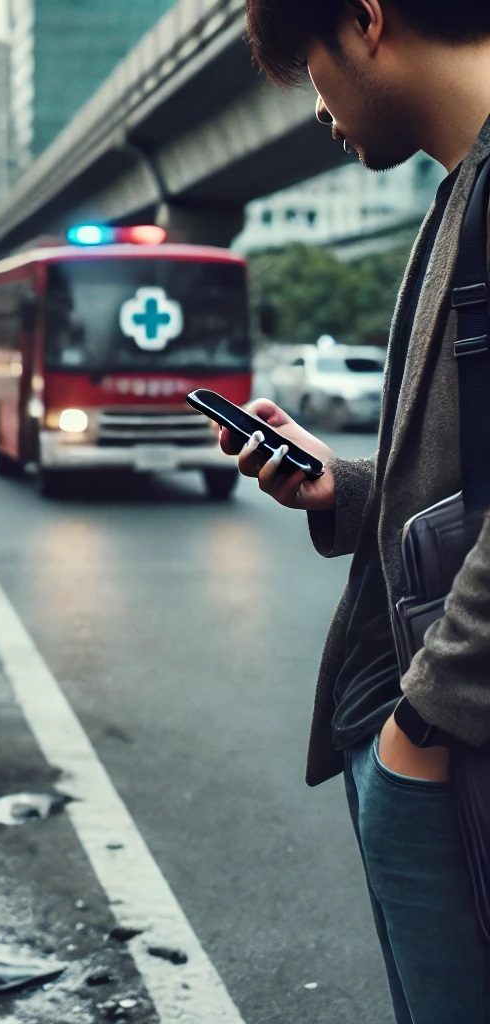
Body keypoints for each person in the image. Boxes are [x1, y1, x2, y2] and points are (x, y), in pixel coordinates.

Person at [234, 2, 490, 1022]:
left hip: (451, 739)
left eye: (306, 66)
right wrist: (342, 485)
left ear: (366, 20)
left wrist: (421, 726)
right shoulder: (459, 192)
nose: (318, 108)